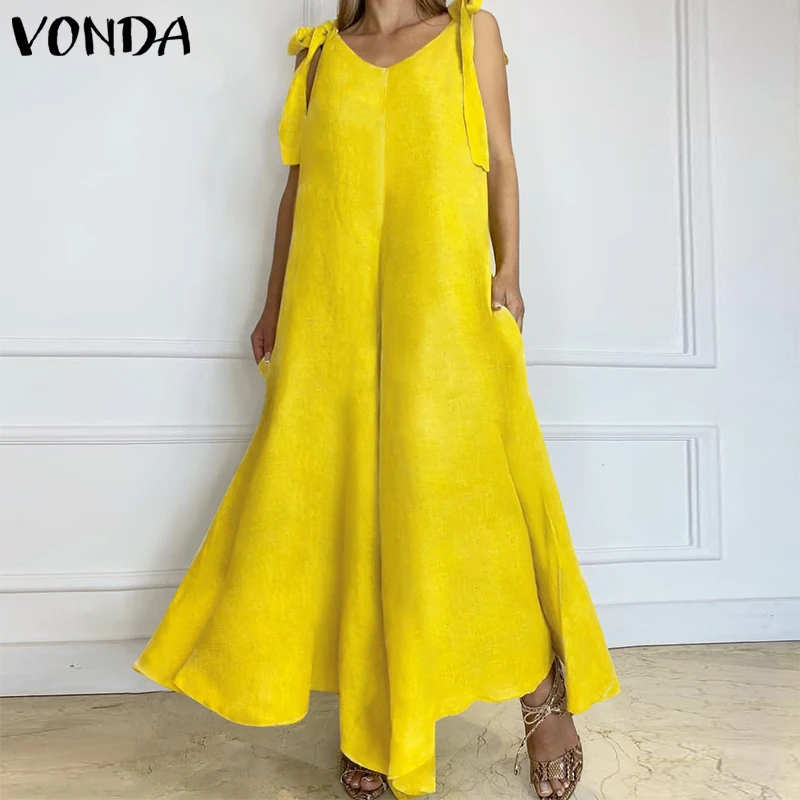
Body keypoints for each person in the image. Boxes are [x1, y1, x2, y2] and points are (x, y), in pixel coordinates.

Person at [133, 1, 620, 798]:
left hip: (445, 308)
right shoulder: (322, 57)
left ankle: (543, 696)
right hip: (332, 315)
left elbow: (500, 156)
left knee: (470, 505)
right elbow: (299, 187)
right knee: (346, 504)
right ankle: (372, 716)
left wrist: (509, 271)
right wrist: (272, 304)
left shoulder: (471, 34)